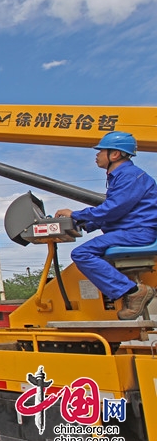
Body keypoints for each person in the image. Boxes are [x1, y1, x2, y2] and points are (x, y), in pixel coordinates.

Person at [55, 131, 157, 320]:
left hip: (136, 232)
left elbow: (113, 209)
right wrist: (86, 224)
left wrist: (75, 215)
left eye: (101, 151)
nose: (97, 155)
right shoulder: (123, 176)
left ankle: (133, 291)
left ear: (115, 154)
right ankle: (128, 291)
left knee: (81, 253)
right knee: (86, 251)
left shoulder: (129, 175)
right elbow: (119, 211)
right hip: (131, 230)